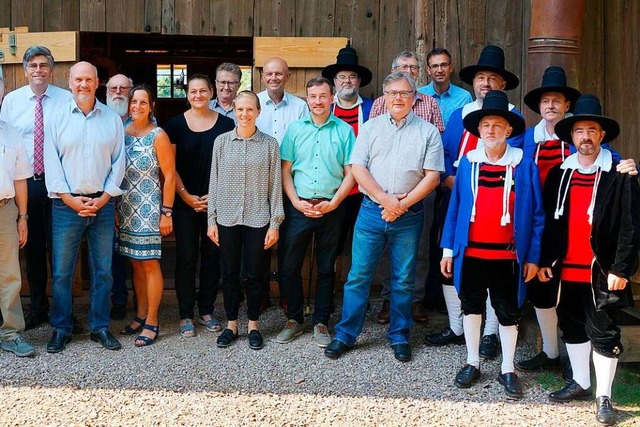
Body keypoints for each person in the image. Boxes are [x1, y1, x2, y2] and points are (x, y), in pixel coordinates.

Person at [325, 72, 443, 362]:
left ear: (415, 97)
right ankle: (345, 334)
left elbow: (433, 177)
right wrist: (385, 199)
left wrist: (401, 204)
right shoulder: (370, 128)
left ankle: (399, 335)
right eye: (392, 93)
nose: (398, 98)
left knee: (403, 279)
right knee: (358, 276)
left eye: (404, 93)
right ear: (384, 97)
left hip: (409, 214)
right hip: (371, 212)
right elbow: (358, 168)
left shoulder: (427, 131)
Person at [539, 94, 640, 426]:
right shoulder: (558, 174)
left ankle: (604, 396)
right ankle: (581, 382)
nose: (585, 137)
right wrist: (544, 261)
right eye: (579, 131)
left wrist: (622, 268)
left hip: (601, 272)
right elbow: (550, 224)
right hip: (566, 269)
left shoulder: (618, 173)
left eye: (592, 130)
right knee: (572, 325)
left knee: (603, 332)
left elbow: (630, 225)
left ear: (602, 136)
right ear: (572, 136)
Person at [440, 90, 544, 399]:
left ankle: (507, 368)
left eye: (498, 125)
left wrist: (533, 257)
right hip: (471, 252)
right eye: (486, 125)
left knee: (507, 311)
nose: (491, 130)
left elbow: (537, 215)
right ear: (478, 130)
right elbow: (455, 209)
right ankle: (472, 361)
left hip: (509, 256)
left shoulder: (524, 164)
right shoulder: (469, 164)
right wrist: (448, 249)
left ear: (509, 130)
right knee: (471, 307)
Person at [425, 45, 522, 358]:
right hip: (455, 200)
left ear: (502, 84)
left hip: (497, 210)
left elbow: (514, 163)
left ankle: (491, 332)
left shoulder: (513, 120)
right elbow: (446, 152)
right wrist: (449, 179)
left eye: (493, 78)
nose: (486, 83)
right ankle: (456, 326)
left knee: (494, 269)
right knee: (448, 258)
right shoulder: (460, 115)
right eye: (481, 77)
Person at [44, 61, 125, 353]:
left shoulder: (111, 119)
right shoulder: (56, 118)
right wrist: (69, 198)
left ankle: (99, 327)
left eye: (88, 80)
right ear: (69, 82)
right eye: (78, 79)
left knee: (103, 271)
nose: (83, 85)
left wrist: (105, 198)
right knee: (63, 272)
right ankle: (62, 327)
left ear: (97, 82)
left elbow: (119, 162)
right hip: (67, 206)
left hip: (102, 205)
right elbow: (51, 162)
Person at [275, 77, 355, 348]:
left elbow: (350, 172)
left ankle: (321, 320)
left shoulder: (344, 131)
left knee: (326, 267)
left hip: (332, 207)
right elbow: (285, 170)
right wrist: (296, 202)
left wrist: (334, 202)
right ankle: (294, 318)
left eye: (323, 96)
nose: (318, 101)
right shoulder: (295, 130)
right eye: (313, 96)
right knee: (289, 265)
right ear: (307, 99)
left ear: (332, 98)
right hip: (299, 206)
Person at [369, 50, 445, 325]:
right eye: (403, 67)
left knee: (420, 247)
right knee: (387, 246)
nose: (409, 71)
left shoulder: (430, 105)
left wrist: (411, 196)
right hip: (385, 191)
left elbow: (435, 147)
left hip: (420, 191)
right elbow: (374, 146)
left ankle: (414, 300)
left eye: (413, 67)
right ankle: (389, 299)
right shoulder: (380, 103)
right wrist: (387, 196)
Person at [0, 46, 72, 330]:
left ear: (51, 69)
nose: (38, 70)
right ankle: (38, 307)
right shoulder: (12, 101)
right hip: (25, 185)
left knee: (61, 249)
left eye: (43, 65)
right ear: (25, 70)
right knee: (31, 248)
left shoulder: (65, 99)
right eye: (33, 65)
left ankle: (62, 311)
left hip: (57, 184)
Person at [207, 91, 284, 350]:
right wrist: (211, 219)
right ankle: (231, 324)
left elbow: (275, 186)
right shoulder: (221, 142)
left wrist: (275, 222)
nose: (244, 114)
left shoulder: (270, 144)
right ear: (234, 111)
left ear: (258, 112)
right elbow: (214, 182)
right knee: (228, 273)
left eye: (250, 109)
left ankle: (253, 324)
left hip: (258, 216)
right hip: (227, 217)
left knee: (255, 273)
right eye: (240, 109)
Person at [164, 74, 235, 337]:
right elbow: (168, 168)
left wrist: (212, 198)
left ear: (212, 92)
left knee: (212, 257)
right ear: (188, 94)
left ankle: (206, 309)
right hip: (185, 203)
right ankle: (185, 314)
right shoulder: (174, 125)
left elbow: (230, 166)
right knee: (186, 258)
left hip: (216, 203)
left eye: (203, 91)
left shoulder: (227, 125)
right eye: (193, 91)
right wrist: (185, 196)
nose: (198, 95)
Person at [117, 85, 175, 347]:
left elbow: (170, 176)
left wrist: (167, 212)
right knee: (135, 262)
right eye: (133, 102)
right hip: (126, 206)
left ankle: (152, 320)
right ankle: (140, 314)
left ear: (151, 105)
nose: (137, 106)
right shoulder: (122, 132)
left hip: (150, 208)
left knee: (150, 263)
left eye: (143, 102)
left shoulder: (158, 135)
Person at [321, 43, 374, 259]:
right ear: (334, 81)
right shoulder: (324, 109)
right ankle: (331, 288)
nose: (347, 81)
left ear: (359, 81)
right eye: (342, 77)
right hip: (332, 187)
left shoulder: (372, 108)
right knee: (332, 245)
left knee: (362, 244)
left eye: (352, 77)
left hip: (363, 189)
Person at [0, 119, 36, 357]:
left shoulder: (11, 131)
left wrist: (23, 216)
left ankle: (10, 333)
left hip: (5, 208)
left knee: (9, 273)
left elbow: (20, 178)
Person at [105, 73, 134, 320]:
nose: (118, 92)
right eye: (113, 87)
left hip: (137, 197)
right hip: (108, 196)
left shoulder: (146, 120)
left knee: (136, 251)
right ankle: (117, 299)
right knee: (111, 251)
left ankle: (141, 302)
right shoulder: (101, 119)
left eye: (123, 88)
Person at [255, 57, 308, 144]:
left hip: (289, 158)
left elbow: (304, 140)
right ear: (263, 77)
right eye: (269, 74)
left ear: (287, 77)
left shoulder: (300, 106)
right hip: (258, 157)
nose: (274, 78)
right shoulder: (252, 104)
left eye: (278, 74)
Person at [418, 47, 473, 127]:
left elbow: (470, 128)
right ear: (428, 70)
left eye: (444, 65)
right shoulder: (419, 95)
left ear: (451, 68)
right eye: (435, 66)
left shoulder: (464, 97)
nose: (440, 70)